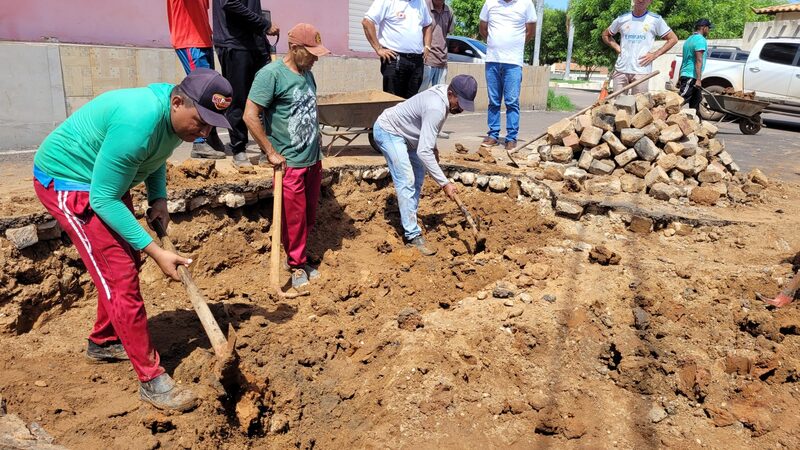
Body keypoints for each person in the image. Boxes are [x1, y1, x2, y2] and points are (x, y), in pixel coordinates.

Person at [32, 69, 233, 412]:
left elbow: (155, 157)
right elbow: (103, 199)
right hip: (70, 182)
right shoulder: (138, 123)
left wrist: (158, 199)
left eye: (212, 124)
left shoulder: (173, 122)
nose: (204, 131)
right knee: (119, 275)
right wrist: (156, 252)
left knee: (125, 263)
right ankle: (152, 381)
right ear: (177, 101)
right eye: (201, 121)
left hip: (105, 182)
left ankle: (103, 342)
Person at [243, 23, 329, 289]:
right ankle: (296, 266)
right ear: (294, 48)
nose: (315, 58)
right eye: (311, 53)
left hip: (313, 160)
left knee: (309, 214)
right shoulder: (271, 75)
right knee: (293, 218)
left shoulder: (307, 74)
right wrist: (270, 152)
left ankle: (299, 256)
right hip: (289, 163)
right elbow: (250, 115)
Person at [372, 74, 477, 256]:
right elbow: (423, 151)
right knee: (406, 178)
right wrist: (445, 183)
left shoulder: (444, 96)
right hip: (389, 131)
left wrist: (433, 146)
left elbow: (427, 128)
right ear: (451, 93)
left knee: (418, 176)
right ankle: (412, 235)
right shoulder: (437, 107)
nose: (461, 109)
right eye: (460, 104)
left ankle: (408, 218)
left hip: (411, 138)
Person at [213, 0, 279, 169]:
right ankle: (239, 149)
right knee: (238, 100)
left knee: (265, 99)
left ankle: (266, 149)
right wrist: (264, 24)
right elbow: (231, 4)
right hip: (234, 44)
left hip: (256, 45)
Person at [167, 0, 228, 160]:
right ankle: (199, 142)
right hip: (189, 40)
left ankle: (210, 137)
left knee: (210, 92)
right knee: (199, 92)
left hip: (204, 39)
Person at [478, 0, 537, 152]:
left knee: (512, 101)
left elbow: (530, 32)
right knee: (493, 101)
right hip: (493, 60)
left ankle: (511, 138)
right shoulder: (490, 3)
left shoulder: (526, 4)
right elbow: (483, 29)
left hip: (513, 63)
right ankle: (493, 135)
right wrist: (495, 44)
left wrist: (514, 46)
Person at [602, 0, 678, 95]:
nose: (641, 0)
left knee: (640, 105)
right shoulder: (622, 19)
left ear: (650, 1)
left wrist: (655, 55)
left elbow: (673, 39)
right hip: (621, 69)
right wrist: (617, 48)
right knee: (617, 105)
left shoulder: (656, 20)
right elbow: (605, 35)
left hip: (641, 71)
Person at [362, 0, 433, 99]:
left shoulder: (420, 2)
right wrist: (378, 48)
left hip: (417, 62)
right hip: (395, 59)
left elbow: (428, 24)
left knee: (412, 103)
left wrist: (427, 46)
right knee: (393, 102)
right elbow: (367, 22)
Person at [418, 0, 454, 92]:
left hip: (442, 61)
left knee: (439, 96)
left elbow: (446, 33)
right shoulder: (423, 5)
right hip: (425, 59)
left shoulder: (449, 11)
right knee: (419, 95)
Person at [678, 19, 712, 111]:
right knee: (681, 99)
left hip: (687, 74)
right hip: (691, 76)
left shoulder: (689, 39)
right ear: (704, 28)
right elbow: (698, 60)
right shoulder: (700, 40)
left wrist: (679, 76)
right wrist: (698, 79)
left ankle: (697, 122)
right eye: (708, 28)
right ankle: (664, 118)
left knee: (696, 101)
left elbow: (685, 59)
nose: (709, 31)